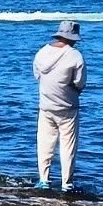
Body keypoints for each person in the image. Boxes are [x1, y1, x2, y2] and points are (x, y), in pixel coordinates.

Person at [32, 20, 86, 193]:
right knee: (68, 146)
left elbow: (37, 76)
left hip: (46, 106)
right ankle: (66, 183)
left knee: (44, 144)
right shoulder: (75, 55)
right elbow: (79, 82)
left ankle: (43, 179)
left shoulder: (41, 52)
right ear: (73, 38)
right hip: (68, 107)